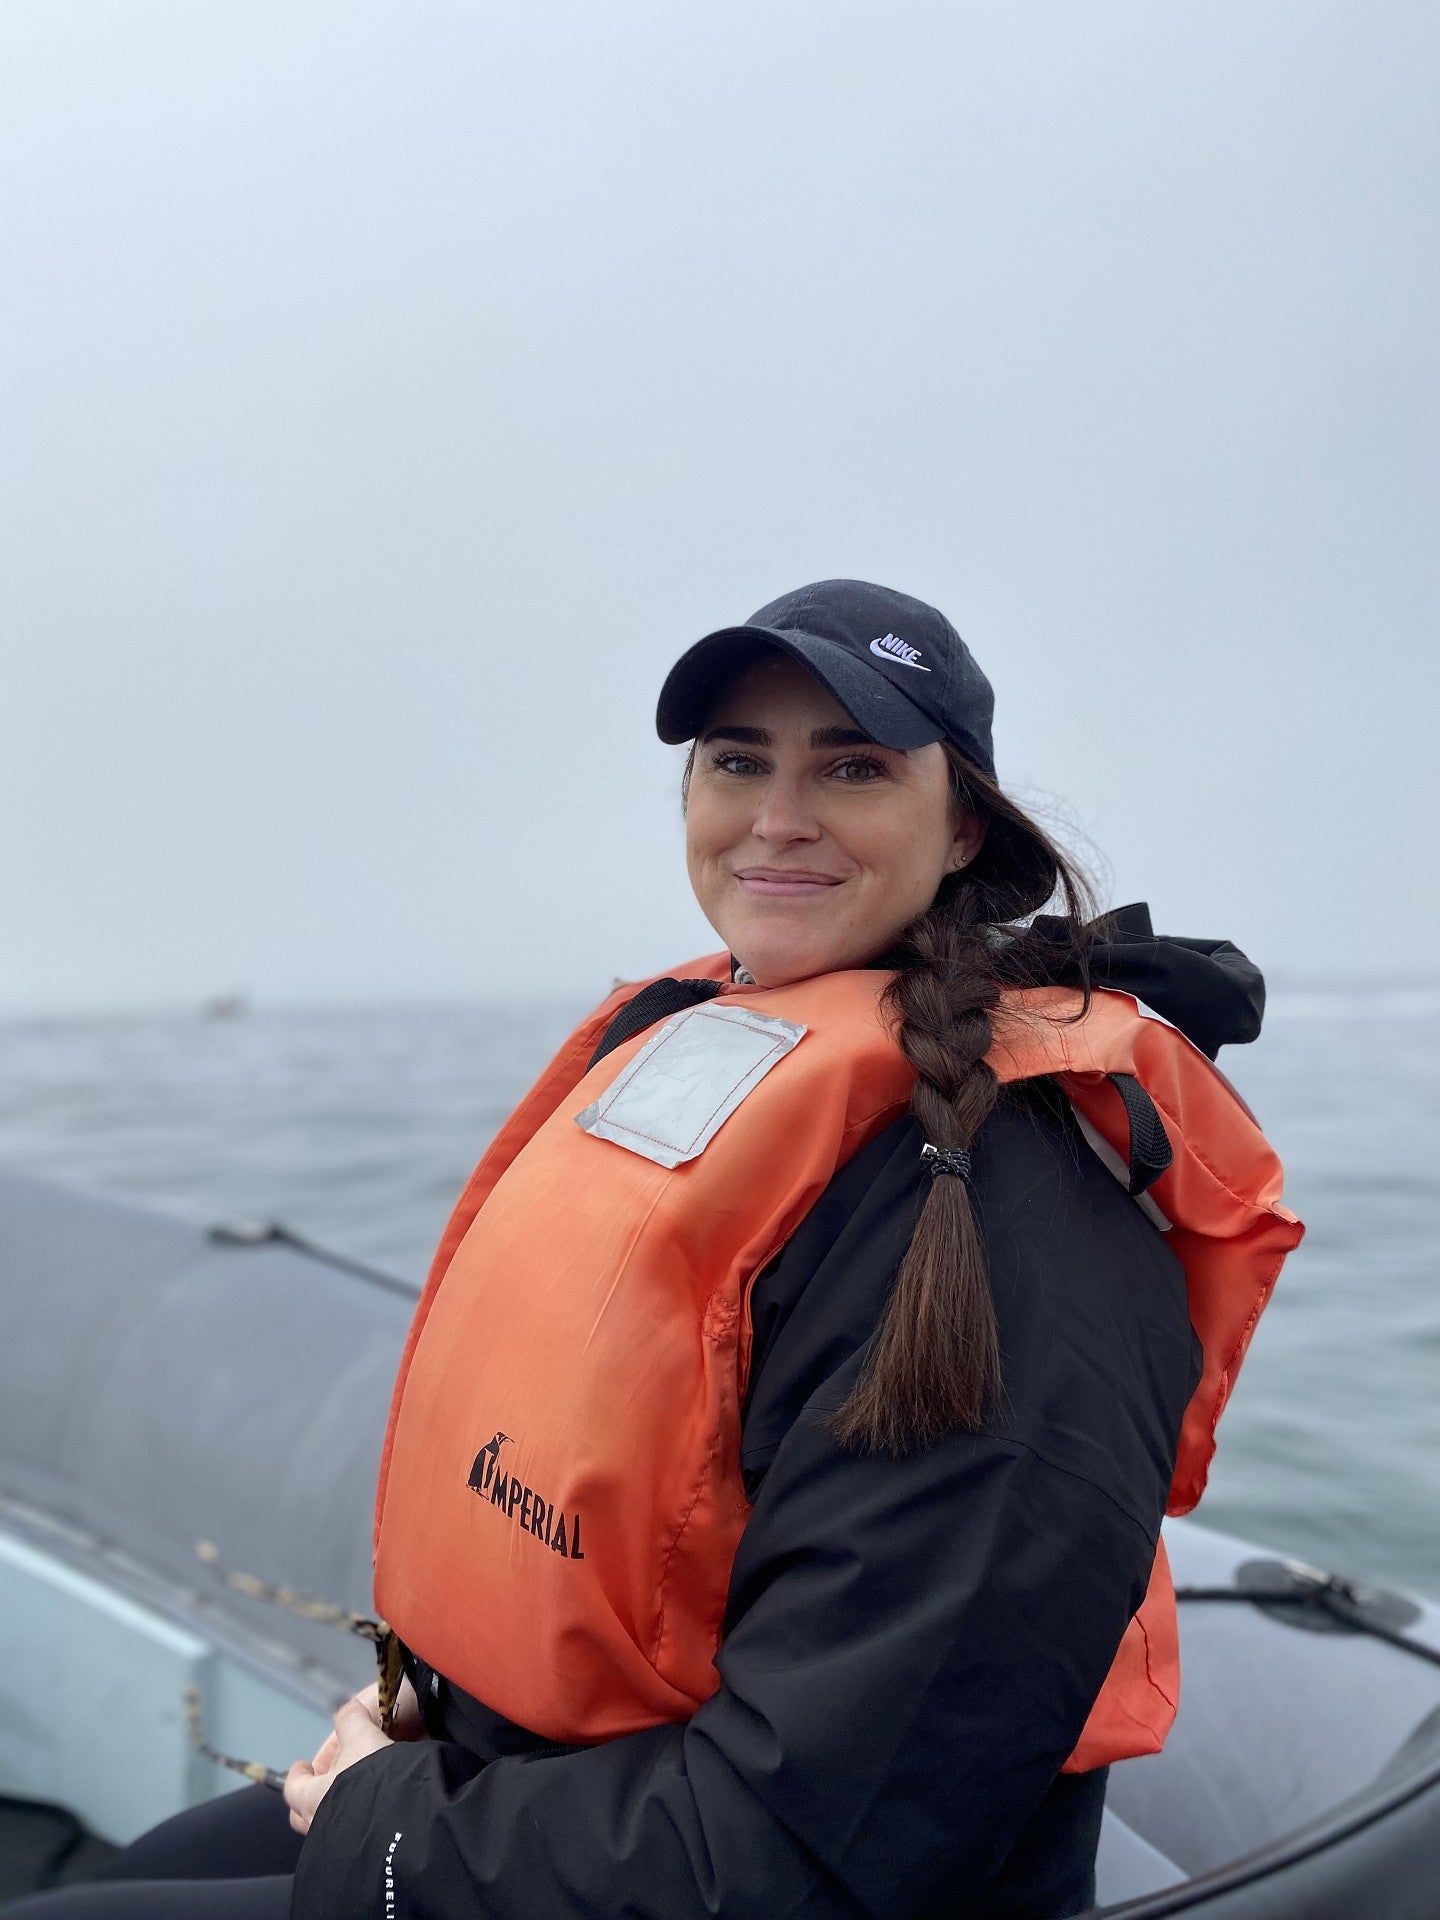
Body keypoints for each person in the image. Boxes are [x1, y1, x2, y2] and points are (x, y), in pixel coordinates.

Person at [13, 579, 1299, 1920]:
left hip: (711, 1873)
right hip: (539, 1786)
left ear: (963, 821)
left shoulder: (1010, 1224)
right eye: (738, 760)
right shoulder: (706, 1039)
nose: (778, 817)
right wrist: (420, 1731)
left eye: (854, 767)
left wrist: (384, 1824)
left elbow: (816, 1848)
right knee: (152, 1872)